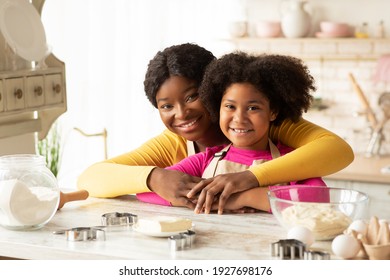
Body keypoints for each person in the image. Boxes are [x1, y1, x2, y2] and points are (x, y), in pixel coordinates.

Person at [77, 43, 353, 211]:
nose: (182, 114)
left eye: (191, 97)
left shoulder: (268, 126)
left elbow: (338, 151)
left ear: (213, 90)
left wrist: (248, 183)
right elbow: (90, 179)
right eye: (166, 106)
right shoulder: (174, 145)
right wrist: (155, 178)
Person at [136, 52, 327, 214]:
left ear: (273, 112)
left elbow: (319, 198)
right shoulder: (205, 160)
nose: (239, 118)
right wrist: (198, 200)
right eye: (230, 106)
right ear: (216, 107)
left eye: (253, 108)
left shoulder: (289, 161)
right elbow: (144, 192)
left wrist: (243, 197)